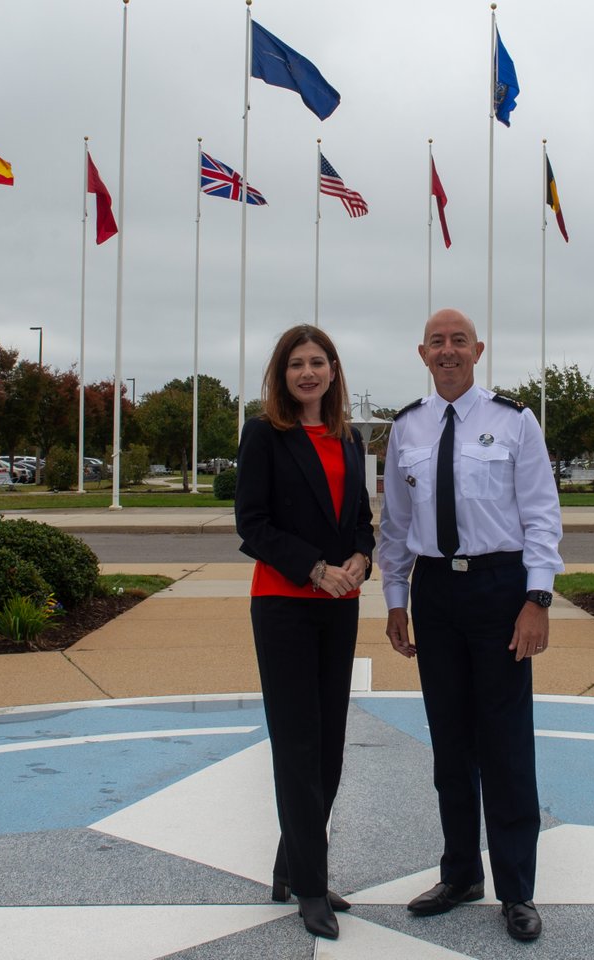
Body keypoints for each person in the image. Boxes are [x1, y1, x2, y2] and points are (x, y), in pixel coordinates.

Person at [378, 308, 563, 943]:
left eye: (459, 341)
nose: (449, 351)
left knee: (506, 745)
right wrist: (395, 600)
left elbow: (541, 513)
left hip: (499, 590)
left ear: (478, 350)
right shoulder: (406, 429)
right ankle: (460, 873)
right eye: (437, 342)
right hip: (435, 593)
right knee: (451, 745)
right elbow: (396, 527)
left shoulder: (515, 421)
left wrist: (537, 597)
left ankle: (516, 889)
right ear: (422, 353)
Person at [234, 323, 374, 941]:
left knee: (330, 744)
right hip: (286, 603)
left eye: (319, 362)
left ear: (334, 371)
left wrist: (360, 560)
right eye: (297, 364)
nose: (308, 372)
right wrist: (315, 569)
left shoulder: (348, 440)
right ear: (281, 374)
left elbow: (361, 520)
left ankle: (292, 865)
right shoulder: (265, 434)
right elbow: (253, 525)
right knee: (297, 745)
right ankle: (312, 889)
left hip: (339, 605)